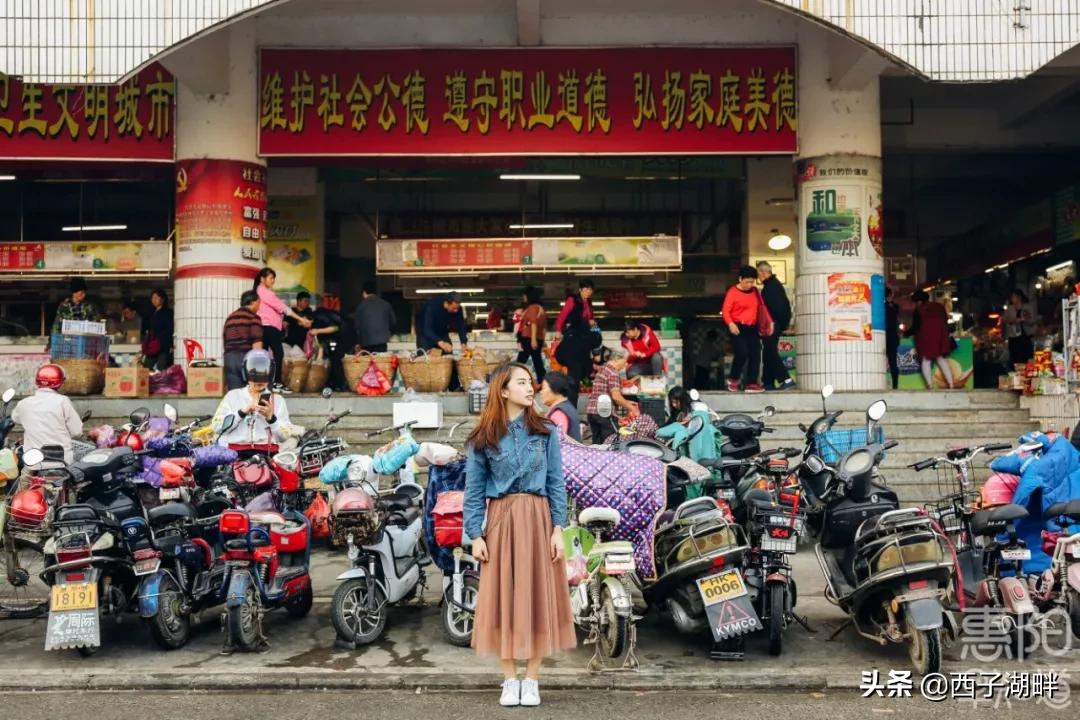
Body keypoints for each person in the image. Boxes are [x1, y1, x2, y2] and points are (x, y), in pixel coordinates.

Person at [463, 362, 575, 708]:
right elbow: (473, 490)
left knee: (539, 595)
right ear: (504, 390)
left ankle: (533, 678)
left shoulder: (545, 430)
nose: (532, 388)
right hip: (501, 520)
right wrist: (475, 534)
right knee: (503, 599)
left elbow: (557, 482)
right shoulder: (483, 437)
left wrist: (559, 529)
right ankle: (509, 678)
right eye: (523, 383)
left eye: (531, 382)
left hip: (540, 518)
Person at [212, 349, 296, 447]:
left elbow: (284, 437)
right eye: (254, 375)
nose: (259, 380)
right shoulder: (232, 396)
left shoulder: (278, 400)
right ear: (245, 373)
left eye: (264, 374)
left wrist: (271, 418)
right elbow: (217, 427)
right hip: (234, 452)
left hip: (264, 454)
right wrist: (242, 413)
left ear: (271, 374)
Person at [12, 364, 83, 464]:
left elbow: (15, 419)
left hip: (33, 463)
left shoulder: (23, 403)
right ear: (60, 383)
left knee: (22, 478)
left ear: (37, 382)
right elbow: (77, 431)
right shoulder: (63, 401)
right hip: (62, 462)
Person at [254, 268, 311, 392]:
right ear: (262, 279)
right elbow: (282, 307)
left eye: (274, 278)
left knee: (266, 356)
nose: (273, 280)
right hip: (269, 327)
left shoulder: (261, 291)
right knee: (278, 353)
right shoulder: (264, 291)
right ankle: (276, 382)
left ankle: (266, 383)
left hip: (266, 327)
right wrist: (300, 319)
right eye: (270, 278)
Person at [722, 266, 771, 393]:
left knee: (755, 353)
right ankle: (733, 379)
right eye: (747, 282)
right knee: (742, 352)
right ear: (740, 279)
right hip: (737, 327)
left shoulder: (755, 291)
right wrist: (731, 324)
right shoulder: (732, 292)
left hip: (752, 327)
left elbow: (761, 308)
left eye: (752, 281)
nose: (749, 284)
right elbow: (726, 311)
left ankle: (752, 383)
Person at [553, 279, 597, 403]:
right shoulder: (573, 300)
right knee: (576, 371)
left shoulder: (589, 303)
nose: (588, 292)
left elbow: (592, 322)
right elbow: (562, 315)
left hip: (582, 340)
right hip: (572, 338)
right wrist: (558, 331)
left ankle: (573, 397)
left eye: (590, 290)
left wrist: (596, 329)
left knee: (578, 372)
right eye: (585, 289)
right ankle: (571, 403)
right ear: (580, 290)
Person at [584, 348, 638, 444]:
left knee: (597, 445)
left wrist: (627, 402)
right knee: (610, 443)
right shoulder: (613, 373)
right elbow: (616, 397)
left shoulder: (603, 369)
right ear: (617, 359)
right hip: (604, 413)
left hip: (592, 412)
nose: (625, 364)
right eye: (624, 361)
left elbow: (604, 392)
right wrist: (631, 408)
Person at [757, 261, 795, 390]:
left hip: (772, 325)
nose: (758, 277)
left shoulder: (771, 287)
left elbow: (778, 308)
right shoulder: (774, 284)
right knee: (768, 352)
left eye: (759, 274)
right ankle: (768, 382)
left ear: (764, 272)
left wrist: (782, 324)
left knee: (770, 352)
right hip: (775, 324)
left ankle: (786, 379)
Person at [907, 290, 955, 389]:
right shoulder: (939, 306)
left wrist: (906, 333)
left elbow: (916, 327)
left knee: (926, 360)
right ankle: (951, 384)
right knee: (940, 359)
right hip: (940, 337)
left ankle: (930, 385)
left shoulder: (919, 310)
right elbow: (945, 320)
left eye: (916, 302)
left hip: (926, 338)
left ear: (918, 301)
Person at [223, 291, 265, 391]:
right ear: (253, 302)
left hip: (230, 359)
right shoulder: (254, 318)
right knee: (253, 393)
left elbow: (225, 341)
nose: (259, 306)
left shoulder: (230, 318)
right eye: (259, 303)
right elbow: (257, 343)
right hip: (247, 358)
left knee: (235, 394)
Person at [309, 304, 346, 391]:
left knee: (336, 361)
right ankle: (334, 384)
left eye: (302, 323)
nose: (303, 326)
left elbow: (335, 328)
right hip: (336, 339)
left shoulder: (319, 317)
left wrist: (317, 331)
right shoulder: (320, 316)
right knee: (333, 362)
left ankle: (338, 385)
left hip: (343, 337)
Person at [354, 281, 397, 353]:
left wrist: (358, 342)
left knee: (368, 363)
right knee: (380, 362)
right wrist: (388, 334)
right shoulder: (386, 304)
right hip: (382, 342)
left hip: (366, 342)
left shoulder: (360, 307)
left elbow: (357, 327)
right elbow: (393, 323)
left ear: (364, 293)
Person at [516, 286, 547, 383]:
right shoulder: (541, 309)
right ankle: (542, 381)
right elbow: (544, 328)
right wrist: (542, 341)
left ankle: (513, 378)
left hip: (529, 337)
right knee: (537, 361)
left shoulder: (532, 307)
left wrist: (533, 339)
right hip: (538, 338)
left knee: (521, 360)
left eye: (524, 295)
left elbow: (533, 323)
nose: (523, 297)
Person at [540, 371, 580, 442]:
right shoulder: (566, 406)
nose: (541, 392)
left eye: (544, 388)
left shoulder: (559, 413)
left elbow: (555, 443)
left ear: (555, 389)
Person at [142, 288, 174, 371]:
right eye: (152, 298)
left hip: (163, 345)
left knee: (161, 367)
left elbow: (170, 330)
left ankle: (162, 383)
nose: (154, 300)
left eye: (156, 297)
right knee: (146, 367)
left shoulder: (168, 313)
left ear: (162, 299)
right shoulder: (151, 312)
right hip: (152, 345)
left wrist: (170, 345)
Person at [1003, 288, 1037, 366]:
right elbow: (1005, 320)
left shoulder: (1028, 307)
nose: (1012, 298)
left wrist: (1024, 319)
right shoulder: (1009, 309)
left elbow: (1032, 321)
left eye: (1014, 296)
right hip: (1014, 338)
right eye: (1011, 297)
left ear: (1019, 297)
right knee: (1015, 360)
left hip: (1026, 338)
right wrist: (1013, 321)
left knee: (1027, 359)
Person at [885, 287, 901, 389]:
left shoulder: (880, 306)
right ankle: (895, 385)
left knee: (884, 362)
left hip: (882, 336)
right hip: (892, 337)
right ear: (891, 295)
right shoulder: (895, 307)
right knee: (892, 362)